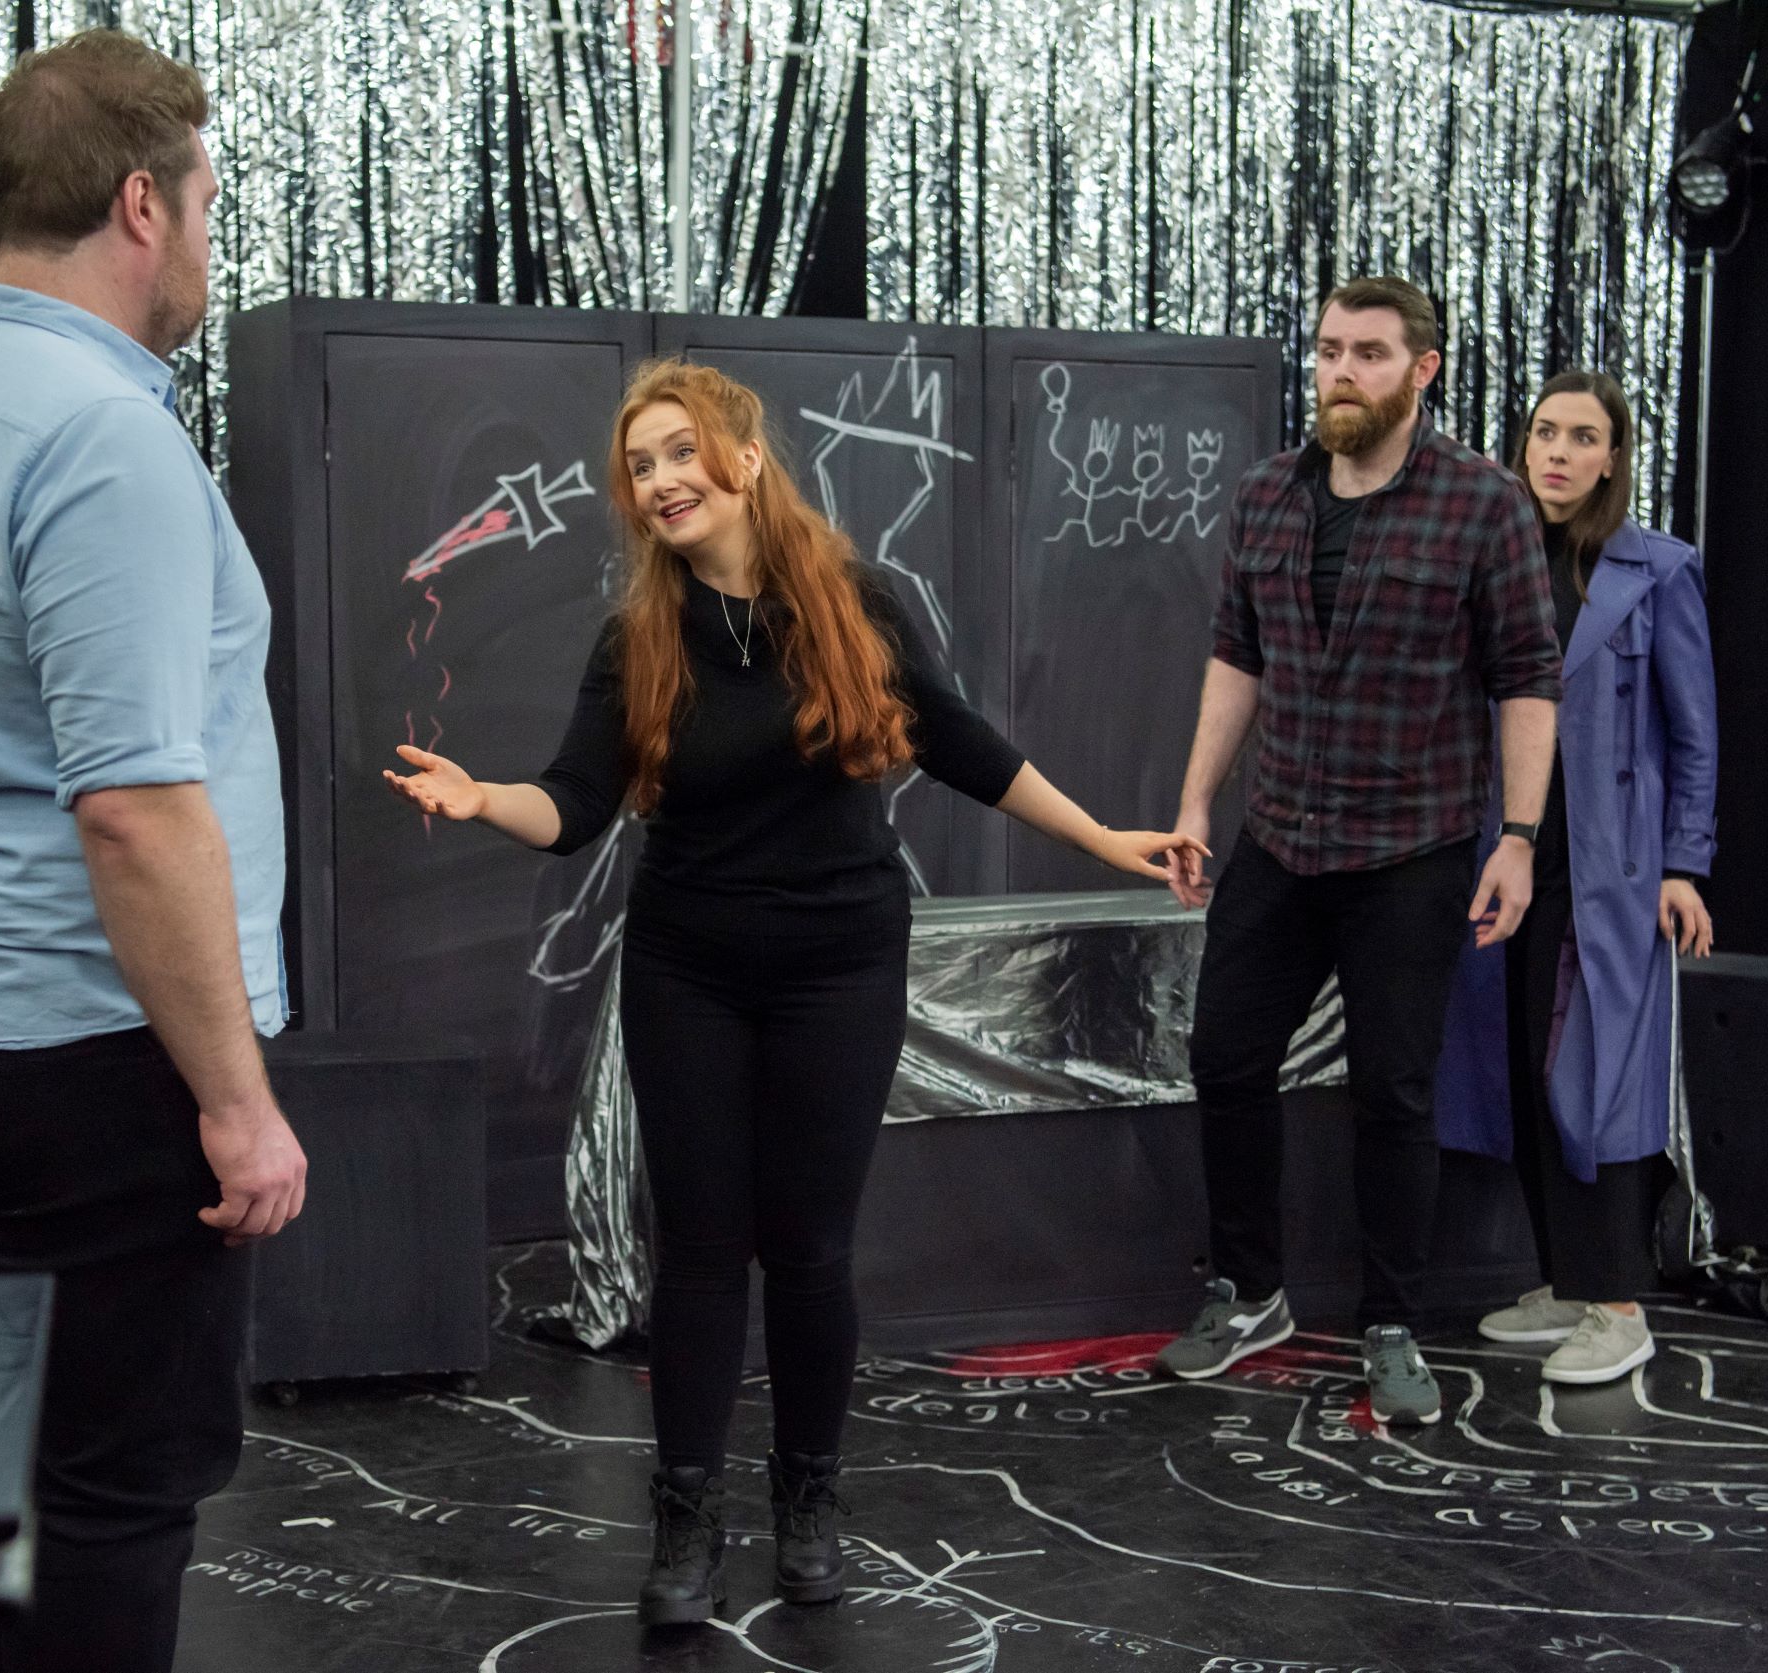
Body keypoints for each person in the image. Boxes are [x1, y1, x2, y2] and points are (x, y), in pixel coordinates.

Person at [384, 358, 1204, 1627]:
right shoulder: (639, 637)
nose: (657, 479)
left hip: (839, 958)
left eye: (677, 452)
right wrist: (484, 795)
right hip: (688, 964)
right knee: (703, 1251)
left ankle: (809, 1499)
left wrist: (1104, 838)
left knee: (812, 1248)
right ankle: (686, 1516)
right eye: (638, 464)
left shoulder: (854, 601)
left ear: (745, 457)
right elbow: (574, 806)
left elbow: (963, 741)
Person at [0, 32, 303, 1673]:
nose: (207, 239)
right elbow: (132, 803)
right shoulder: (99, 433)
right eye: (207, 202)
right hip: (88, 1055)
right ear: (139, 205)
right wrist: (235, 1102)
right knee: (117, 1496)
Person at [1152, 278, 1562, 1424]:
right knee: (1225, 1056)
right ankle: (1249, 1290)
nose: (1341, 370)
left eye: (1368, 353)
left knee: (1393, 1090)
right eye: (1330, 350)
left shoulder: (1480, 504)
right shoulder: (1267, 494)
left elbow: (1528, 678)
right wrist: (1193, 800)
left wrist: (1517, 838)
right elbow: (1236, 656)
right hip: (1280, 835)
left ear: (1420, 369)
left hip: (1411, 848)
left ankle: (1391, 1319)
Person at [1435, 371, 1718, 1385]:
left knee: (1592, 1081)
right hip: (1502, 853)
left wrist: (1684, 863)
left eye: (1580, 436)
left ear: (1611, 457)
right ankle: (1562, 1279)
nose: (1555, 451)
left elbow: (1694, 735)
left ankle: (1616, 1302)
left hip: (1610, 869)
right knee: (1516, 1070)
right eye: (1543, 430)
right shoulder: (1495, 565)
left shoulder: (1657, 570)